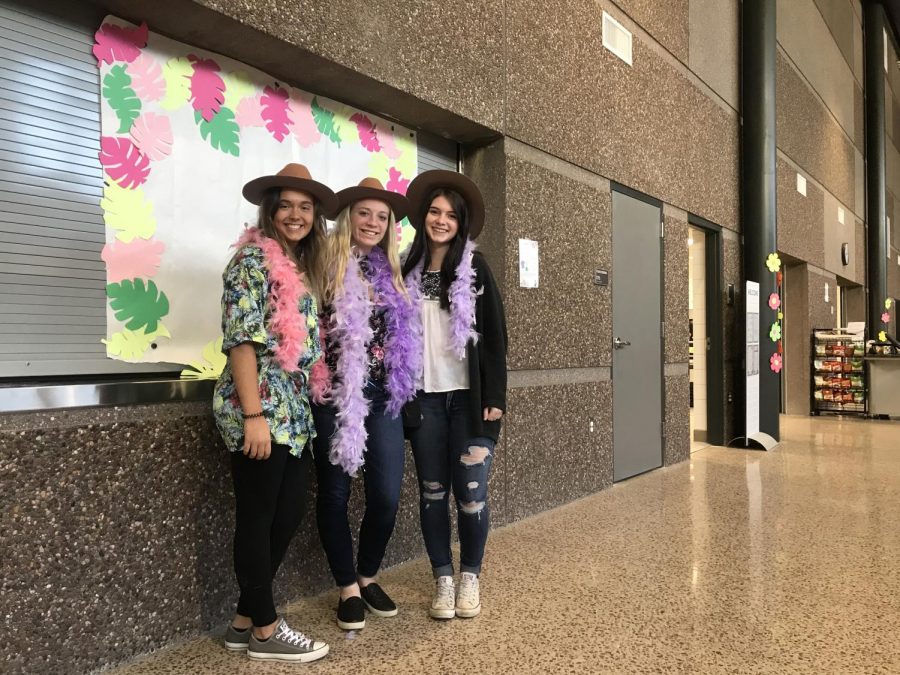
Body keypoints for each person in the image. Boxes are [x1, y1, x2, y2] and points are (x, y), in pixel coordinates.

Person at [212, 163, 336, 662]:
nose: (295, 214)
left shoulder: (301, 268)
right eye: (285, 205)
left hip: (292, 410)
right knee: (259, 516)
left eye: (305, 207)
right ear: (270, 211)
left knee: (287, 513)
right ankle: (266, 630)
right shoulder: (250, 262)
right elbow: (241, 343)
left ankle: (244, 619)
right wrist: (253, 415)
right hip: (258, 405)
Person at [309, 177, 420, 630]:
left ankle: (368, 574)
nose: (372, 223)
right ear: (347, 216)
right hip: (334, 395)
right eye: (364, 213)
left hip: (381, 398)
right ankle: (347, 589)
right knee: (334, 493)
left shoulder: (390, 273)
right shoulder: (323, 264)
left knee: (387, 494)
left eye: (381, 216)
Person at [401, 170, 508, 620]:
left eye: (449, 215)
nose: (440, 220)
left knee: (471, 493)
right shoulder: (410, 270)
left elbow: (497, 336)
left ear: (461, 223)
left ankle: (470, 577)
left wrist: (496, 396)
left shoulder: (473, 268)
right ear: (423, 217)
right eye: (434, 212)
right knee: (431, 493)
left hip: (468, 400)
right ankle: (442, 579)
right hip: (425, 399)